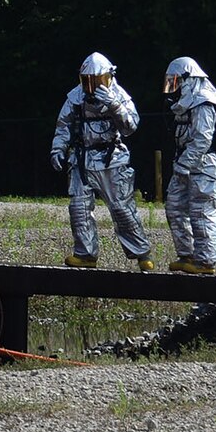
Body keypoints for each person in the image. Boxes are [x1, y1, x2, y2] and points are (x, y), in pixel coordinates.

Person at [49, 52, 155, 270]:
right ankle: (85, 254)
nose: (92, 86)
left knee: (122, 209)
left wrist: (115, 105)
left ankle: (141, 253)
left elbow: (130, 127)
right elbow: (63, 126)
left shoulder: (119, 96)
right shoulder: (75, 97)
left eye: (97, 81)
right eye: (87, 81)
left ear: (108, 77)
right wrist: (57, 149)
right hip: (81, 159)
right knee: (78, 208)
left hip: (112, 160)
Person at [164, 55, 216, 274]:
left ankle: (205, 261)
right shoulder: (183, 104)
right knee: (174, 208)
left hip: (203, 167)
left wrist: (184, 164)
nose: (173, 87)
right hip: (183, 165)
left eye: (175, 81)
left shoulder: (204, 101)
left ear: (188, 79)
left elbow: (202, 139)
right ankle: (186, 255)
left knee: (201, 212)